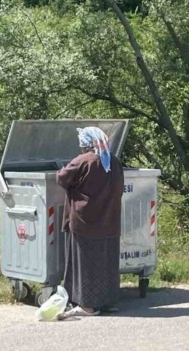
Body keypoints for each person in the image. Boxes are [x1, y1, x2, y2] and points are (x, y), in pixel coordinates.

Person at [56, 126, 124, 317]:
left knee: (84, 263)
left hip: (86, 222)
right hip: (110, 221)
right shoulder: (114, 161)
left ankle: (87, 306)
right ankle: (109, 302)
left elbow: (62, 178)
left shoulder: (83, 161)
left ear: (87, 145)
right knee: (107, 262)